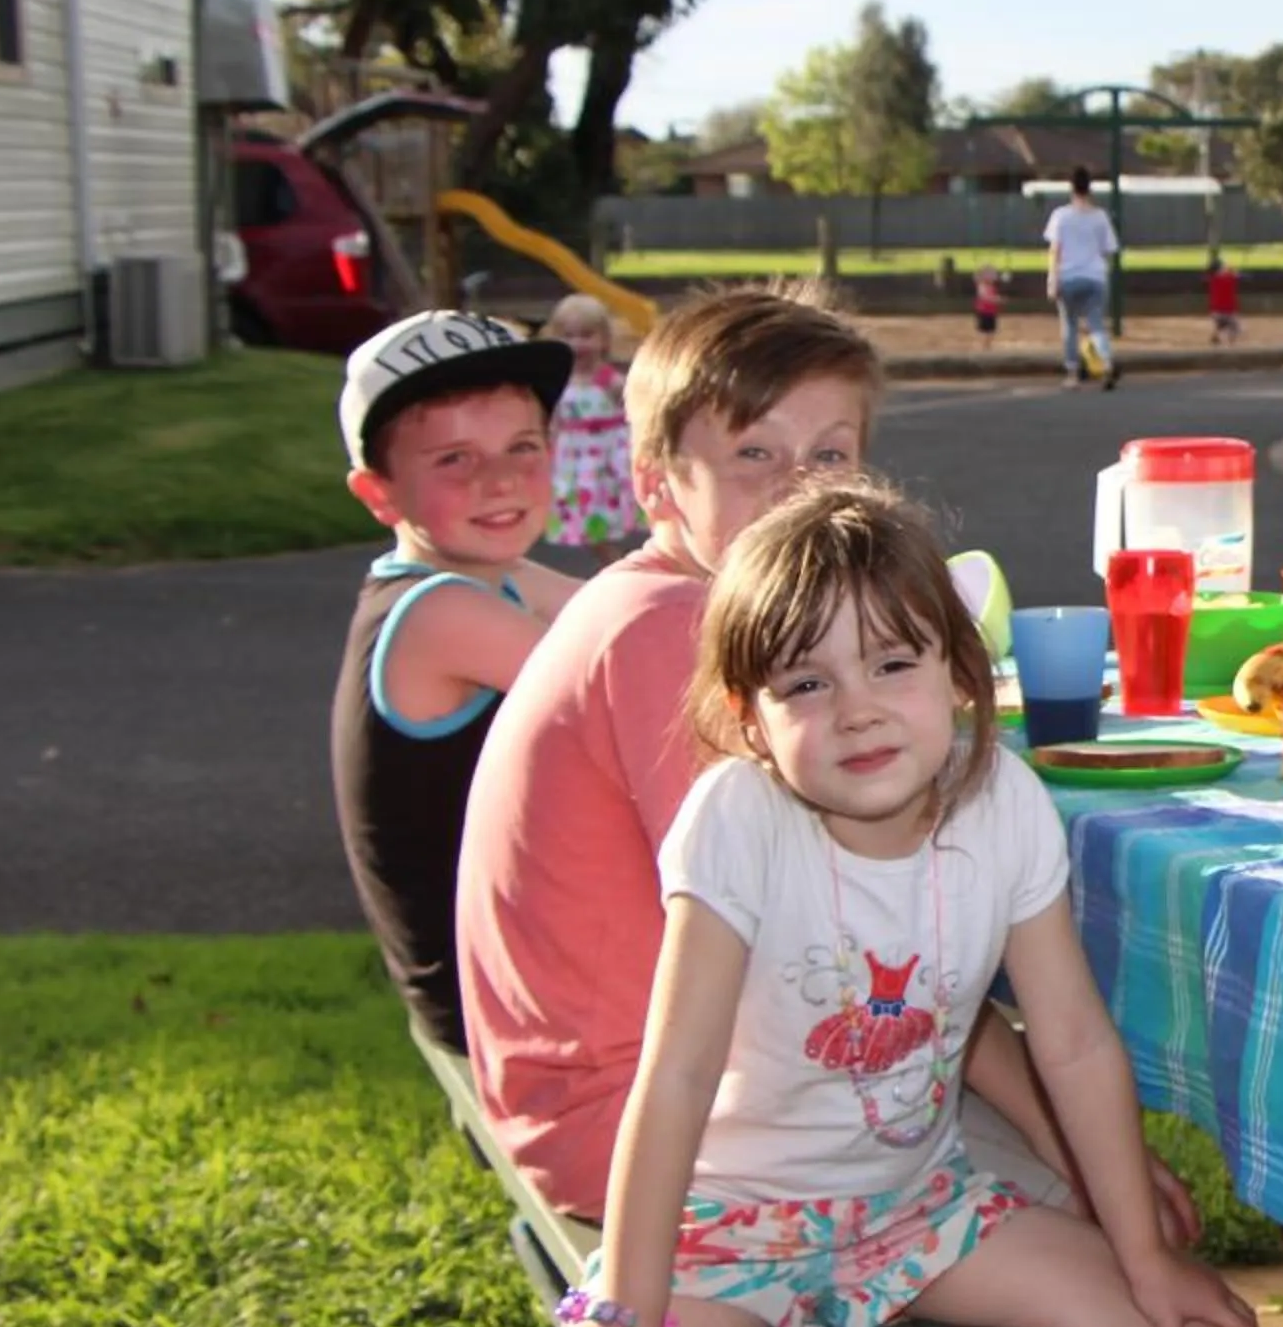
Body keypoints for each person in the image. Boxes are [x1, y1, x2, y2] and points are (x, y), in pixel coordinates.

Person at [495, 482, 1263, 1327]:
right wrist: (623, 1315)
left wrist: (1142, 1256)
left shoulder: (1004, 801)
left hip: (920, 1204)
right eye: (806, 680)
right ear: (747, 718)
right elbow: (674, 1075)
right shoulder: (739, 819)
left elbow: (1076, 1045)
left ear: (958, 672)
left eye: (893, 662)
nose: (857, 707)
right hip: (733, 1226)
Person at [459, 285, 1151, 1242]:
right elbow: (859, 945)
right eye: (754, 456)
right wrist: (1064, 1153)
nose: (802, 491)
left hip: (637, 1084)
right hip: (649, 1131)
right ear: (657, 483)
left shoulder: (672, 603)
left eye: (830, 455)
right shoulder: (683, 635)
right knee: (1117, 1256)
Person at [331, 310, 580, 1050]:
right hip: (496, 1016)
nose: (499, 479)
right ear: (379, 494)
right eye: (454, 460)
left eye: (522, 448)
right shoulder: (439, 613)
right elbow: (627, 693)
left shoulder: (501, 577)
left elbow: (644, 619)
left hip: (516, 974)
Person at [540, 294, 641, 557]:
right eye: (568, 335)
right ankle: (607, 559)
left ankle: (613, 558)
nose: (577, 344)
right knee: (583, 514)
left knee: (606, 513)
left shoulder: (608, 380)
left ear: (604, 339)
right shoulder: (559, 379)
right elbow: (552, 417)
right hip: (574, 458)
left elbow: (634, 410)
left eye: (586, 336)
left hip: (605, 456)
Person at [1045, 167, 1119, 390]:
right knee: (1096, 324)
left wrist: (1052, 278)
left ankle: (1072, 372)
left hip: (1068, 276)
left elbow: (1055, 249)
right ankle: (1105, 363)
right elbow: (1109, 249)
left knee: (1069, 326)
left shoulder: (1061, 215)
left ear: (1071, 188)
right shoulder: (1100, 216)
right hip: (1095, 277)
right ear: (1090, 188)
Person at [1206, 252, 1240, 344]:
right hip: (1229, 310)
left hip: (1215, 311)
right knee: (1234, 328)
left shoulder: (1212, 279)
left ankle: (1216, 336)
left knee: (1221, 324)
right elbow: (1234, 276)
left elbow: (1224, 275)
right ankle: (1231, 343)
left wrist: (1229, 271)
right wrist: (1232, 271)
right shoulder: (1229, 278)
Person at [971, 262, 1002, 345]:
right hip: (984, 311)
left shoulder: (991, 286)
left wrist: (996, 299)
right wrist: (995, 299)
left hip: (991, 311)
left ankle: (987, 345)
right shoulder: (982, 286)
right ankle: (984, 345)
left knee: (991, 330)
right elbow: (984, 297)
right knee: (984, 330)